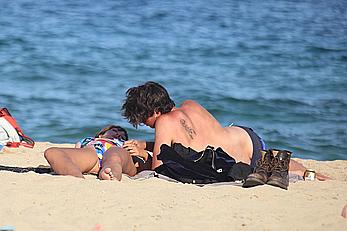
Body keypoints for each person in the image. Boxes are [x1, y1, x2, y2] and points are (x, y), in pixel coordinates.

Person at [120, 81, 329, 188]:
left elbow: (161, 168)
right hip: (247, 139)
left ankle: (303, 173)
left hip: (236, 161)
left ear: (156, 112)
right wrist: (146, 144)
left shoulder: (164, 121)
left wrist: (143, 157)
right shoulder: (190, 105)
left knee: (251, 166)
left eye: (143, 119)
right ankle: (306, 172)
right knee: (261, 161)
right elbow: (192, 141)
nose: (144, 125)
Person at [44, 125, 152, 180]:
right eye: (114, 131)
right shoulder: (90, 140)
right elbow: (76, 150)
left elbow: (143, 168)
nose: (118, 135)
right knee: (52, 152)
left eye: (122, 136)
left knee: (114, 155)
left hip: (117, 154)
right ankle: (77, 178)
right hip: (93, 153)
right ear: (101, 135)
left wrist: (142, 153)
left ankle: (111, 173)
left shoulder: (124, 145)